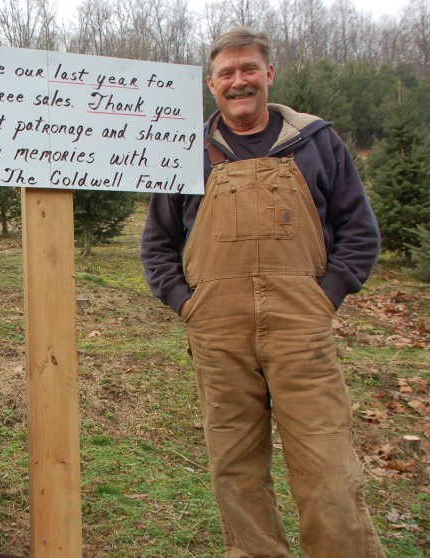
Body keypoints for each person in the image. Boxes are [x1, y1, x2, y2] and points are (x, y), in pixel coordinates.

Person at [140, 27, 386, 558]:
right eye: (226, 73)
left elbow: (360, 231)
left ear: (269, 73)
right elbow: (157, 243)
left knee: (327, 466)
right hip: (218, 332)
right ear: (211, 84)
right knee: (235, 468)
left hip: (302, 328)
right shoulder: (187, 151)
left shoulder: (316, 141)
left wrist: (325, 295)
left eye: (249, 68)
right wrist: (188, 304)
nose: (239, 81)